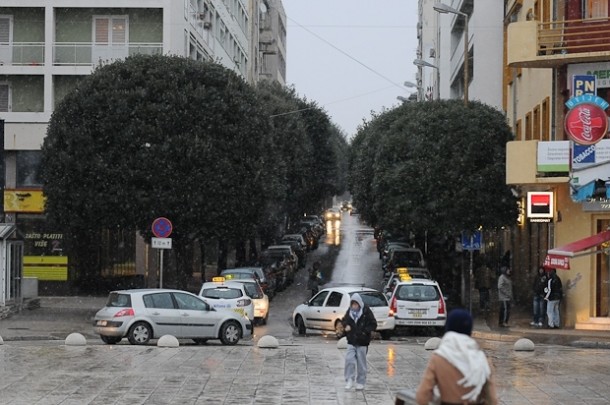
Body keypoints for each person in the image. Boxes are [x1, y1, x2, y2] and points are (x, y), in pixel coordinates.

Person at [415, 308, 498, 405]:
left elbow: (422, 395)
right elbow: (492, 400)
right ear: (469, 331)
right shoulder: (482, 360)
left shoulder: (439, 359)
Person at [341, 293, 377, 391]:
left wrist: (365, 332)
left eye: (356, 304)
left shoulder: (366, 311)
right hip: (351, 340)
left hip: (362, 341)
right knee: (349, 360)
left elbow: (373, 324)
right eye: (352, 304)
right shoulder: (349, 312)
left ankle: (361, 382)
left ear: (359, 304)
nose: (354, 307)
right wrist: (346, 327)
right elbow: (344, 321)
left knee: (361, 362)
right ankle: (349, 380)